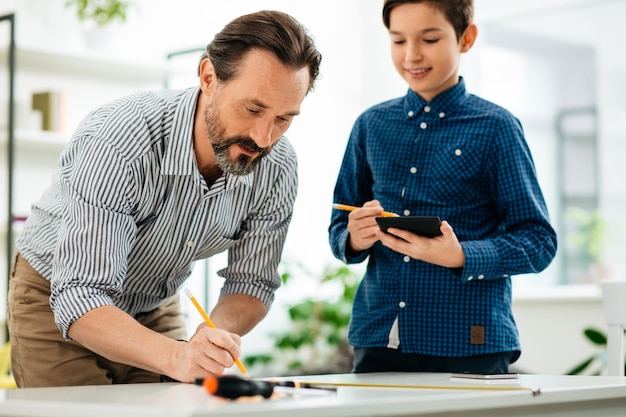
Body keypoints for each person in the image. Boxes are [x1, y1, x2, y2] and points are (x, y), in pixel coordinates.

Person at [8, 10, 321, 387]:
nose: (265, 137)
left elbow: (251, 282)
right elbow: (82, 294)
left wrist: (208, 340)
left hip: (154, 300)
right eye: (253, 109)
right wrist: (176, 355)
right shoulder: (118, 141)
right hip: (59, 296)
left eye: (284, 118)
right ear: (209, 77)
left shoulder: (278, 165)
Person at [329, 0, 557, 374]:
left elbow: (539, 241)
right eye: (398, 40)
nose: (412, 55)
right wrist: (355, 236)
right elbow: (340, 226)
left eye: (429, 39)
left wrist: (460, 255)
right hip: (379, 338)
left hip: (470, 342)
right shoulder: (370, 125)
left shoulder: (496, 127)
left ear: (466, 38)